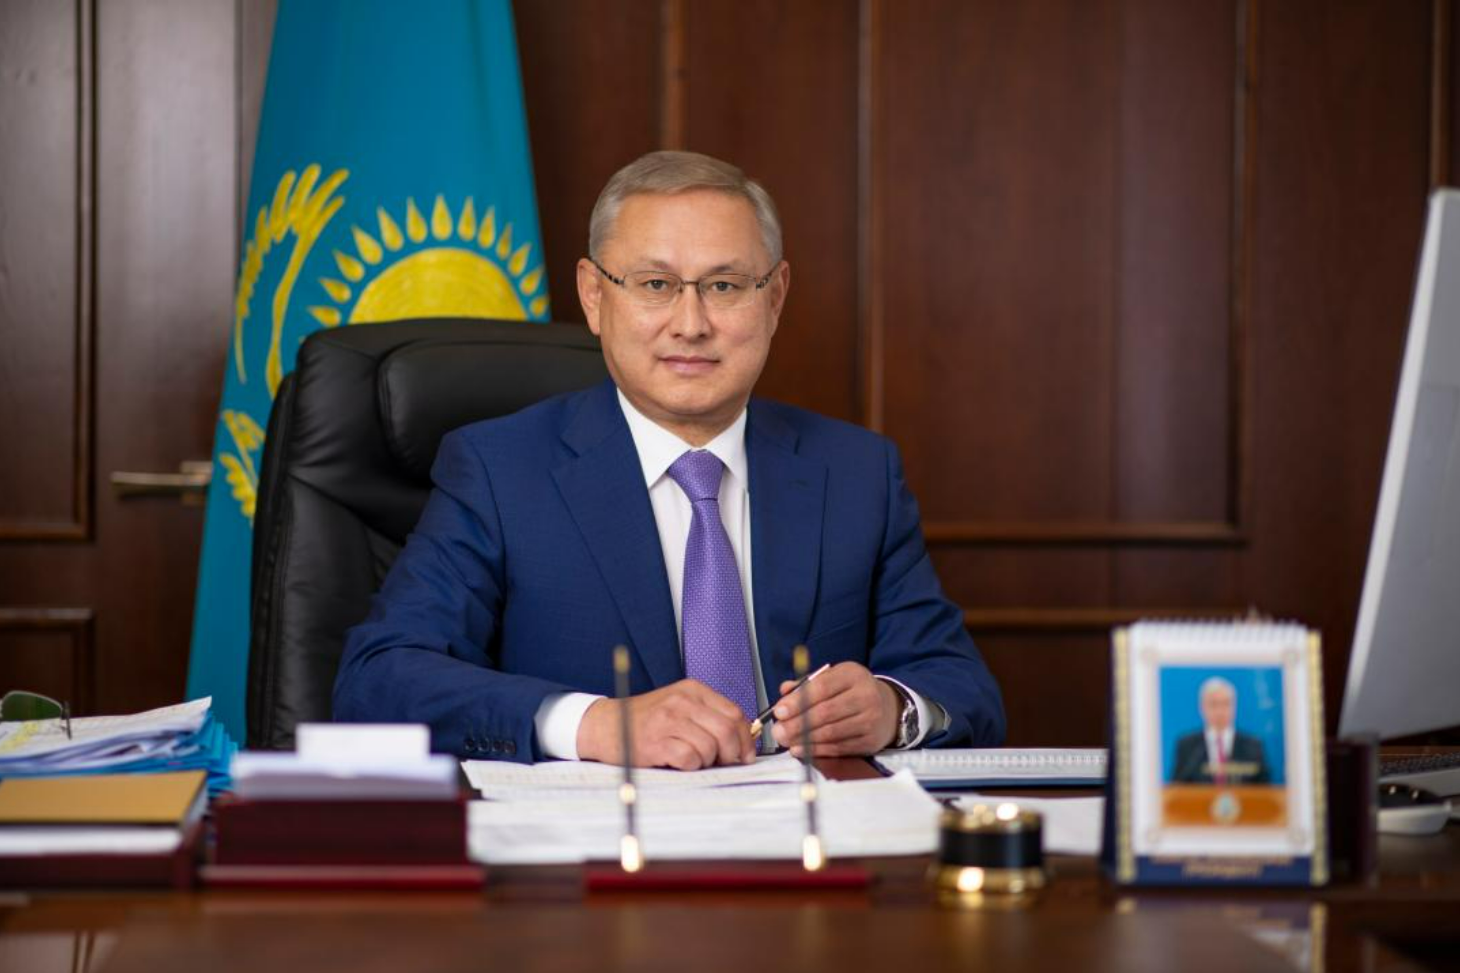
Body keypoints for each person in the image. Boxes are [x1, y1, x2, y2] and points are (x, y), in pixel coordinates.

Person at [333, 150, 1005, 767]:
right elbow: (378, 680)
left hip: (803, 841)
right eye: (655, 284)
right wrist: (593, 724)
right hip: (597, 845)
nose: (691, 324)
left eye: (725, 286)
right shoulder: (499, 470)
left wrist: (892, 708)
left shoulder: (857, 473)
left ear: (774, 297)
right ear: (594, 296)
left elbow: (962, 686)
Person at [1170, 677, 1271, 785]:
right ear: (1202, 707)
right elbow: (1177, 787)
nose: (1220, 711)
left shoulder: (1253, 746)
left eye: (1226, 703)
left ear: (1234, 707)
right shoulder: (1187, 746)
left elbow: (1264, 788)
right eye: (1213, 704)